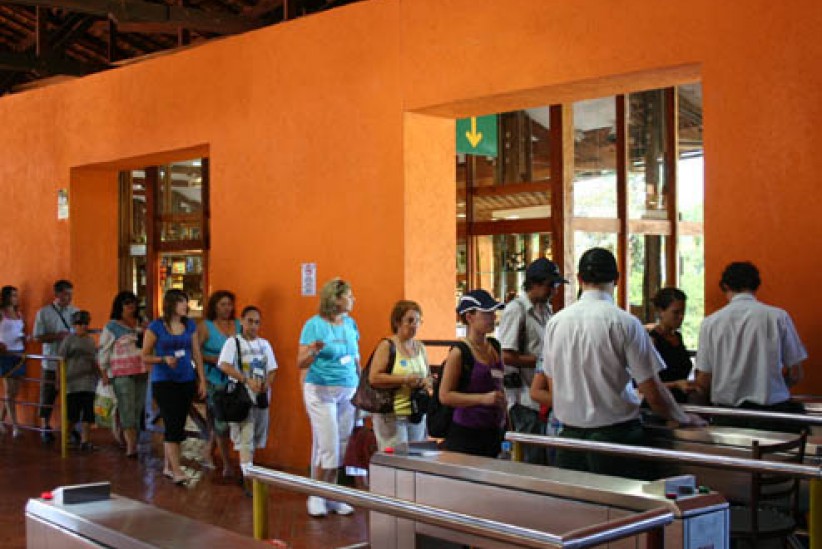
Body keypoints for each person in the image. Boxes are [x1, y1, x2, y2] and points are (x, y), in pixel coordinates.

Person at [542, 248, 705, 480]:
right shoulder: (625, 323)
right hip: (616, 438)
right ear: (617, 279)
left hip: (569, 440)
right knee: (620, 501)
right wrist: (683, 417)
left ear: (579, 279)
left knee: (575, 502)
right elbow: (651, 389)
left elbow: (553, 383)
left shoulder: (556, 323)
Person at [694, 262, 808, 432]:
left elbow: (704, 379)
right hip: (772, 414)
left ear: (725, 286)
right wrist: (773, 386)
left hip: (727, 415)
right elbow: (796, 373)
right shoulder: (778, 317)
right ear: (756, 285)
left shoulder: (710, 323)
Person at [298, 278, 359, 518]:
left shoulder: (350, 324)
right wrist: (314, 350)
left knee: (342, 446)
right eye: (349, 296)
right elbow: (300, 362)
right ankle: (316, 495)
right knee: (328, 447)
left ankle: (332, 496)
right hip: (321, 391)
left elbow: (355, 357)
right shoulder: (313, 325)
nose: (353, 300)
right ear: (335, 298)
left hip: (348, 389)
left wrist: (362, 389)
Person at [497, 258, 567, 464]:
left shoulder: (546, 310)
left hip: (543, 397)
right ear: (534, 283)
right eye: (550, 285)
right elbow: (505, 355)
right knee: (531, 459)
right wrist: (542, 362)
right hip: (524, 399)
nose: (554, 291)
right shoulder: (516, 309)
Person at [142, 289, 206, 485]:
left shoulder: (190, 325)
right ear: (171, 304)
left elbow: (196, 353)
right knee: (172, 424)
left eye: (186, 301)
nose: (185, 305)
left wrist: (201, 379)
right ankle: (177, 470)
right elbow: (145, 355)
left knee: (178, 421)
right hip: (164, 381)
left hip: (186, 379)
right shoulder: (156, 327)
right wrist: (162, 359)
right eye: (181, 302)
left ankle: (169, 466)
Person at [440, 289, 507, 458]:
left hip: (495, 430)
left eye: (493, 313)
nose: (493, 317)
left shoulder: (495, 346)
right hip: (467, 433)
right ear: (469, 317)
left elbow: (499, 386)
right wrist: (482, 399)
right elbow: (445, 396)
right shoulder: (459, 352)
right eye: (487, 313)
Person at [217, 306, 277, 492]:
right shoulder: (233, 342)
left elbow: (272, 368)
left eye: (257, 322)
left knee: (255, 436)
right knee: (245, 437)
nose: (253, 326)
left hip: (260, 397)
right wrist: (245, 380)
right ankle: (247, 479)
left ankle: (248, 471)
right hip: (242, 397)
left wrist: (266, 383)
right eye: (249, 321)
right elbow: (224, 364)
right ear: (242, 321)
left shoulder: (264, 344)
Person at [369, 300, 431, 451]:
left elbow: (428, 375)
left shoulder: (420, 348)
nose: (414, 325)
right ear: (397, 322)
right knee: (396, 458)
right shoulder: (387, 346)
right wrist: (404, 380)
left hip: (416, 413)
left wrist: (425, 382)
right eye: (410, 321)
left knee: (417, 456)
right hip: (392, 415)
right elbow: (374, 378)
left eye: (418, 321)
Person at [98, 291, 148, 457]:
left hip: (141, 371)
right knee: (126, 408)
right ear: (119, 306)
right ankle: (131, 446)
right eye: (127, 303)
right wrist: (104, 372)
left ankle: (131, 439)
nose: (131, 306)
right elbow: (104, 350)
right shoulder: (112, 327)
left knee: (138, 407)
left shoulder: (143, 323)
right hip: (121, 373)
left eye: (133, 302)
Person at [197, 290, 241, 478]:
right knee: (220, 422)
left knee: (231, 419)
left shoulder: (237, 325)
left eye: (229, 304)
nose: (227, 308)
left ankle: (208, 450)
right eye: (223, 304)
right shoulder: (206, 326)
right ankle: (226, 463)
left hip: (234, 378)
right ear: (215, 306)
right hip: (214, 379)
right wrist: (214, 360)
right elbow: (196, 352)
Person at [33, 279, 78, 443]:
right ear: (57, 294)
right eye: (66, 294)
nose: (69, 298)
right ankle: (45, 426)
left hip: (70, 361)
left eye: (71, 294)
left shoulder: (75, 311)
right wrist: (56, 336)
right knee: (48, 395)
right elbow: (37, 337)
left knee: (72, 396)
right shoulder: (44, 313)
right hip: (51, 361)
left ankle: (70, 427)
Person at [58, 311, 108, 451]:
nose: (83, 326)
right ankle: (66, 436)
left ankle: (85, 440)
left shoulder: (90, 341)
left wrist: (101, 375)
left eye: (85, 323)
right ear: (74, 325)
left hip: (88, 381)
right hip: (72, 382)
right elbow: (60, 361)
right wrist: (59, 379)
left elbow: (93, 361)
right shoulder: (68, 340)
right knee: (72, 414)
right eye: (79, 324)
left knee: (88, 413)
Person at [648, 288, 695, 403]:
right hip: (661, 403)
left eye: (683, 312)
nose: (681, 317)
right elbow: (645, 384)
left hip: (680, 401)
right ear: (661, 311)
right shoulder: (652, 340)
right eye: (676, 312)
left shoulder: (678, 337)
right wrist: (675, 384)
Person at [0, 286, 26, 438]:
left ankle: (1, 419)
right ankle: (15, 425)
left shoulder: (18, 313)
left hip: (19, 352)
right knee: (9, 390)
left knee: (14, 391)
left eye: (17, 295)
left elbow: (19, 330)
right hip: (6, 354)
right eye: (13, 295)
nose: (16, 298)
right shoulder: (1, 313)